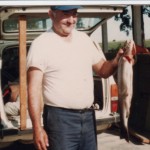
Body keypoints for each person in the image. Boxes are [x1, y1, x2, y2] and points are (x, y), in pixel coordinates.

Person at [27, 5, 123, 150]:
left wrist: (118, 60)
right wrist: (37, 128)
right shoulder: (40, 44)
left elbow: (103, 70)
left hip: (89, 118)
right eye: (66, 14)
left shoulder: (84, 39)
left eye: (75, 14)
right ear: (51, 14)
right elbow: (33, 90)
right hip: (60, 121)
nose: (71, 20)